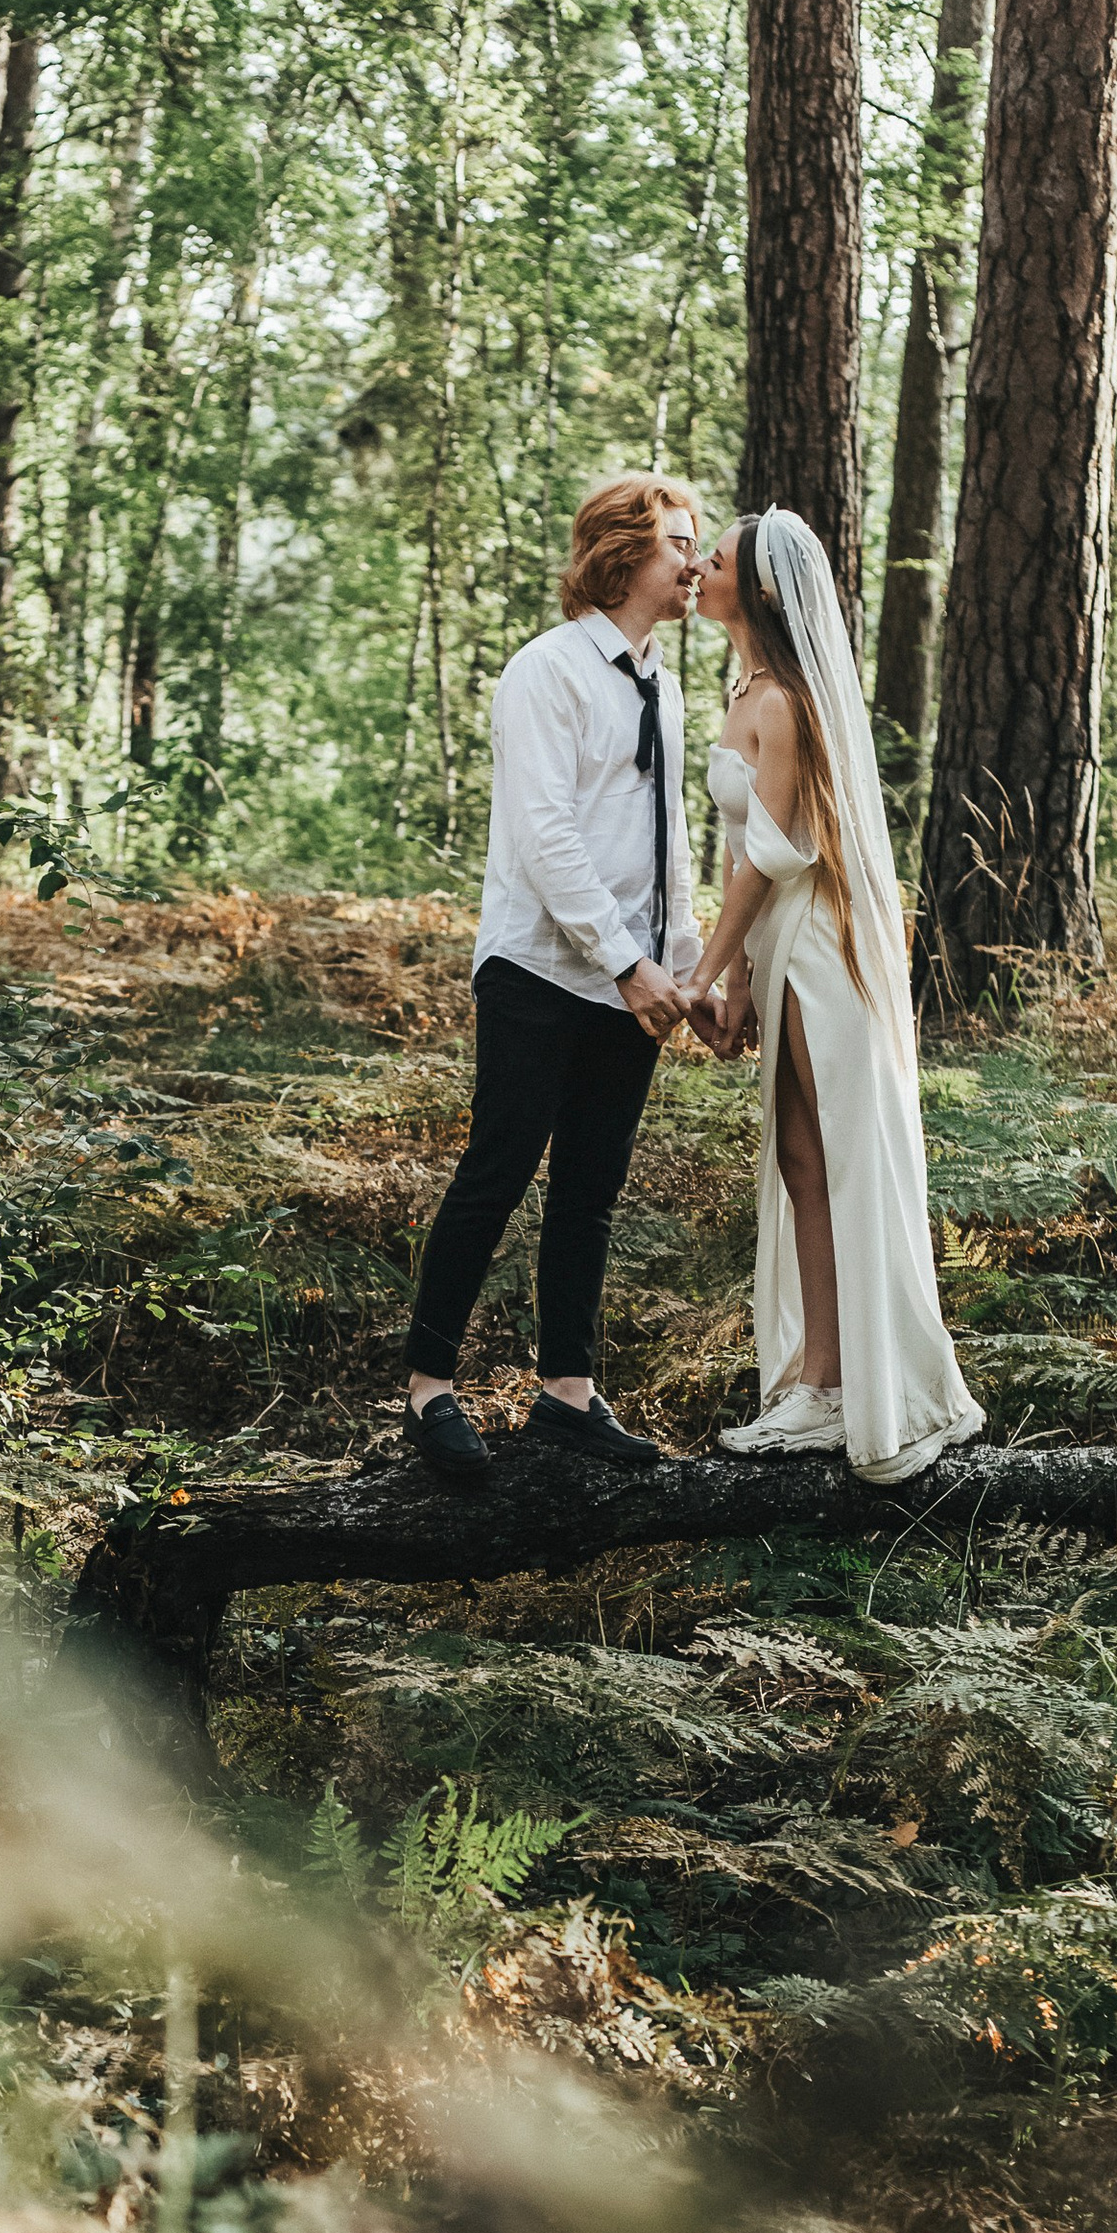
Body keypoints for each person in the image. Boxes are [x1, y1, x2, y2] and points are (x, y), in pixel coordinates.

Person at [399, 474, 705, 1485]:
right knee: (497, 1168)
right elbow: (543, 835)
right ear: (620, 554)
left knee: (591, 1191)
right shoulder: (548, 671)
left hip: (631, 980)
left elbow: (670, 850)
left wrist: (684, 971)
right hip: (540, 967)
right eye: (675, 542)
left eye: (696, 541)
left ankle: (567, 1397)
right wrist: (623, 963)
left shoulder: (661, 681)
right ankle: (427, 1390)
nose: (693, 561)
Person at [684, 509, 983, 1485]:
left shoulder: (787, 705)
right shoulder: (749, 691)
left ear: (759, 588)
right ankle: (823, 1382)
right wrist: (732, 977)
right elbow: (740, 854)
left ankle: (858, 1389)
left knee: (834, 1160)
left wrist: (698, 974)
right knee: (804, 1162)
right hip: (776, 953)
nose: (697, 569)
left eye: (715, 560)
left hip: (817, 951)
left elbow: (769, 862)